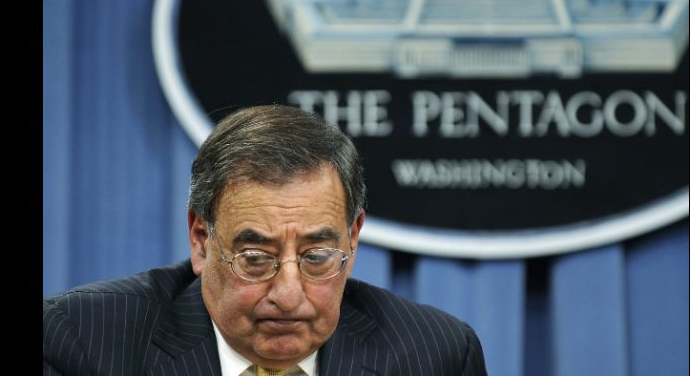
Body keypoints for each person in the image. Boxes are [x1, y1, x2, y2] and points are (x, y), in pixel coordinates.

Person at [43, 104, 487, 375]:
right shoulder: (84, 340)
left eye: (316, 256)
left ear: (352, 241)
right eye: (255, 257)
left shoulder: (434, 355)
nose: (289, 295)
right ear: (201, 241)